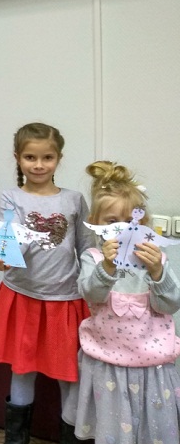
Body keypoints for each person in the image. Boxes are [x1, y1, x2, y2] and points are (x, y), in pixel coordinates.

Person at [0, 122, 93, 444]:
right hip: (23, 298)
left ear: (59, 158)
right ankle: (16, 439)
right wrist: (4, 254)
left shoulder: (74, 200)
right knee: (22, 370)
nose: (39, 165)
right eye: (30, 157)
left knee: (69, 376)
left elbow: (87, 247)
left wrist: (96, 282)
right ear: (18, 157)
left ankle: (71, 437)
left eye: (47, 157)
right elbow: (13, 236)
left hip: (65, 301)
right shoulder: (10, 197)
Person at [66, 160, 180, 443]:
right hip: (108, 363)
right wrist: (107, 267)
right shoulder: (93, 258)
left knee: (151, 431)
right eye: (111, 221)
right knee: (111, 429)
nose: (125, 229)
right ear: (96, 223)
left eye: (132, 221)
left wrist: (158, 273)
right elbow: (91, 294)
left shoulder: (157, 260)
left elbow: (170, 305)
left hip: (151, 366)